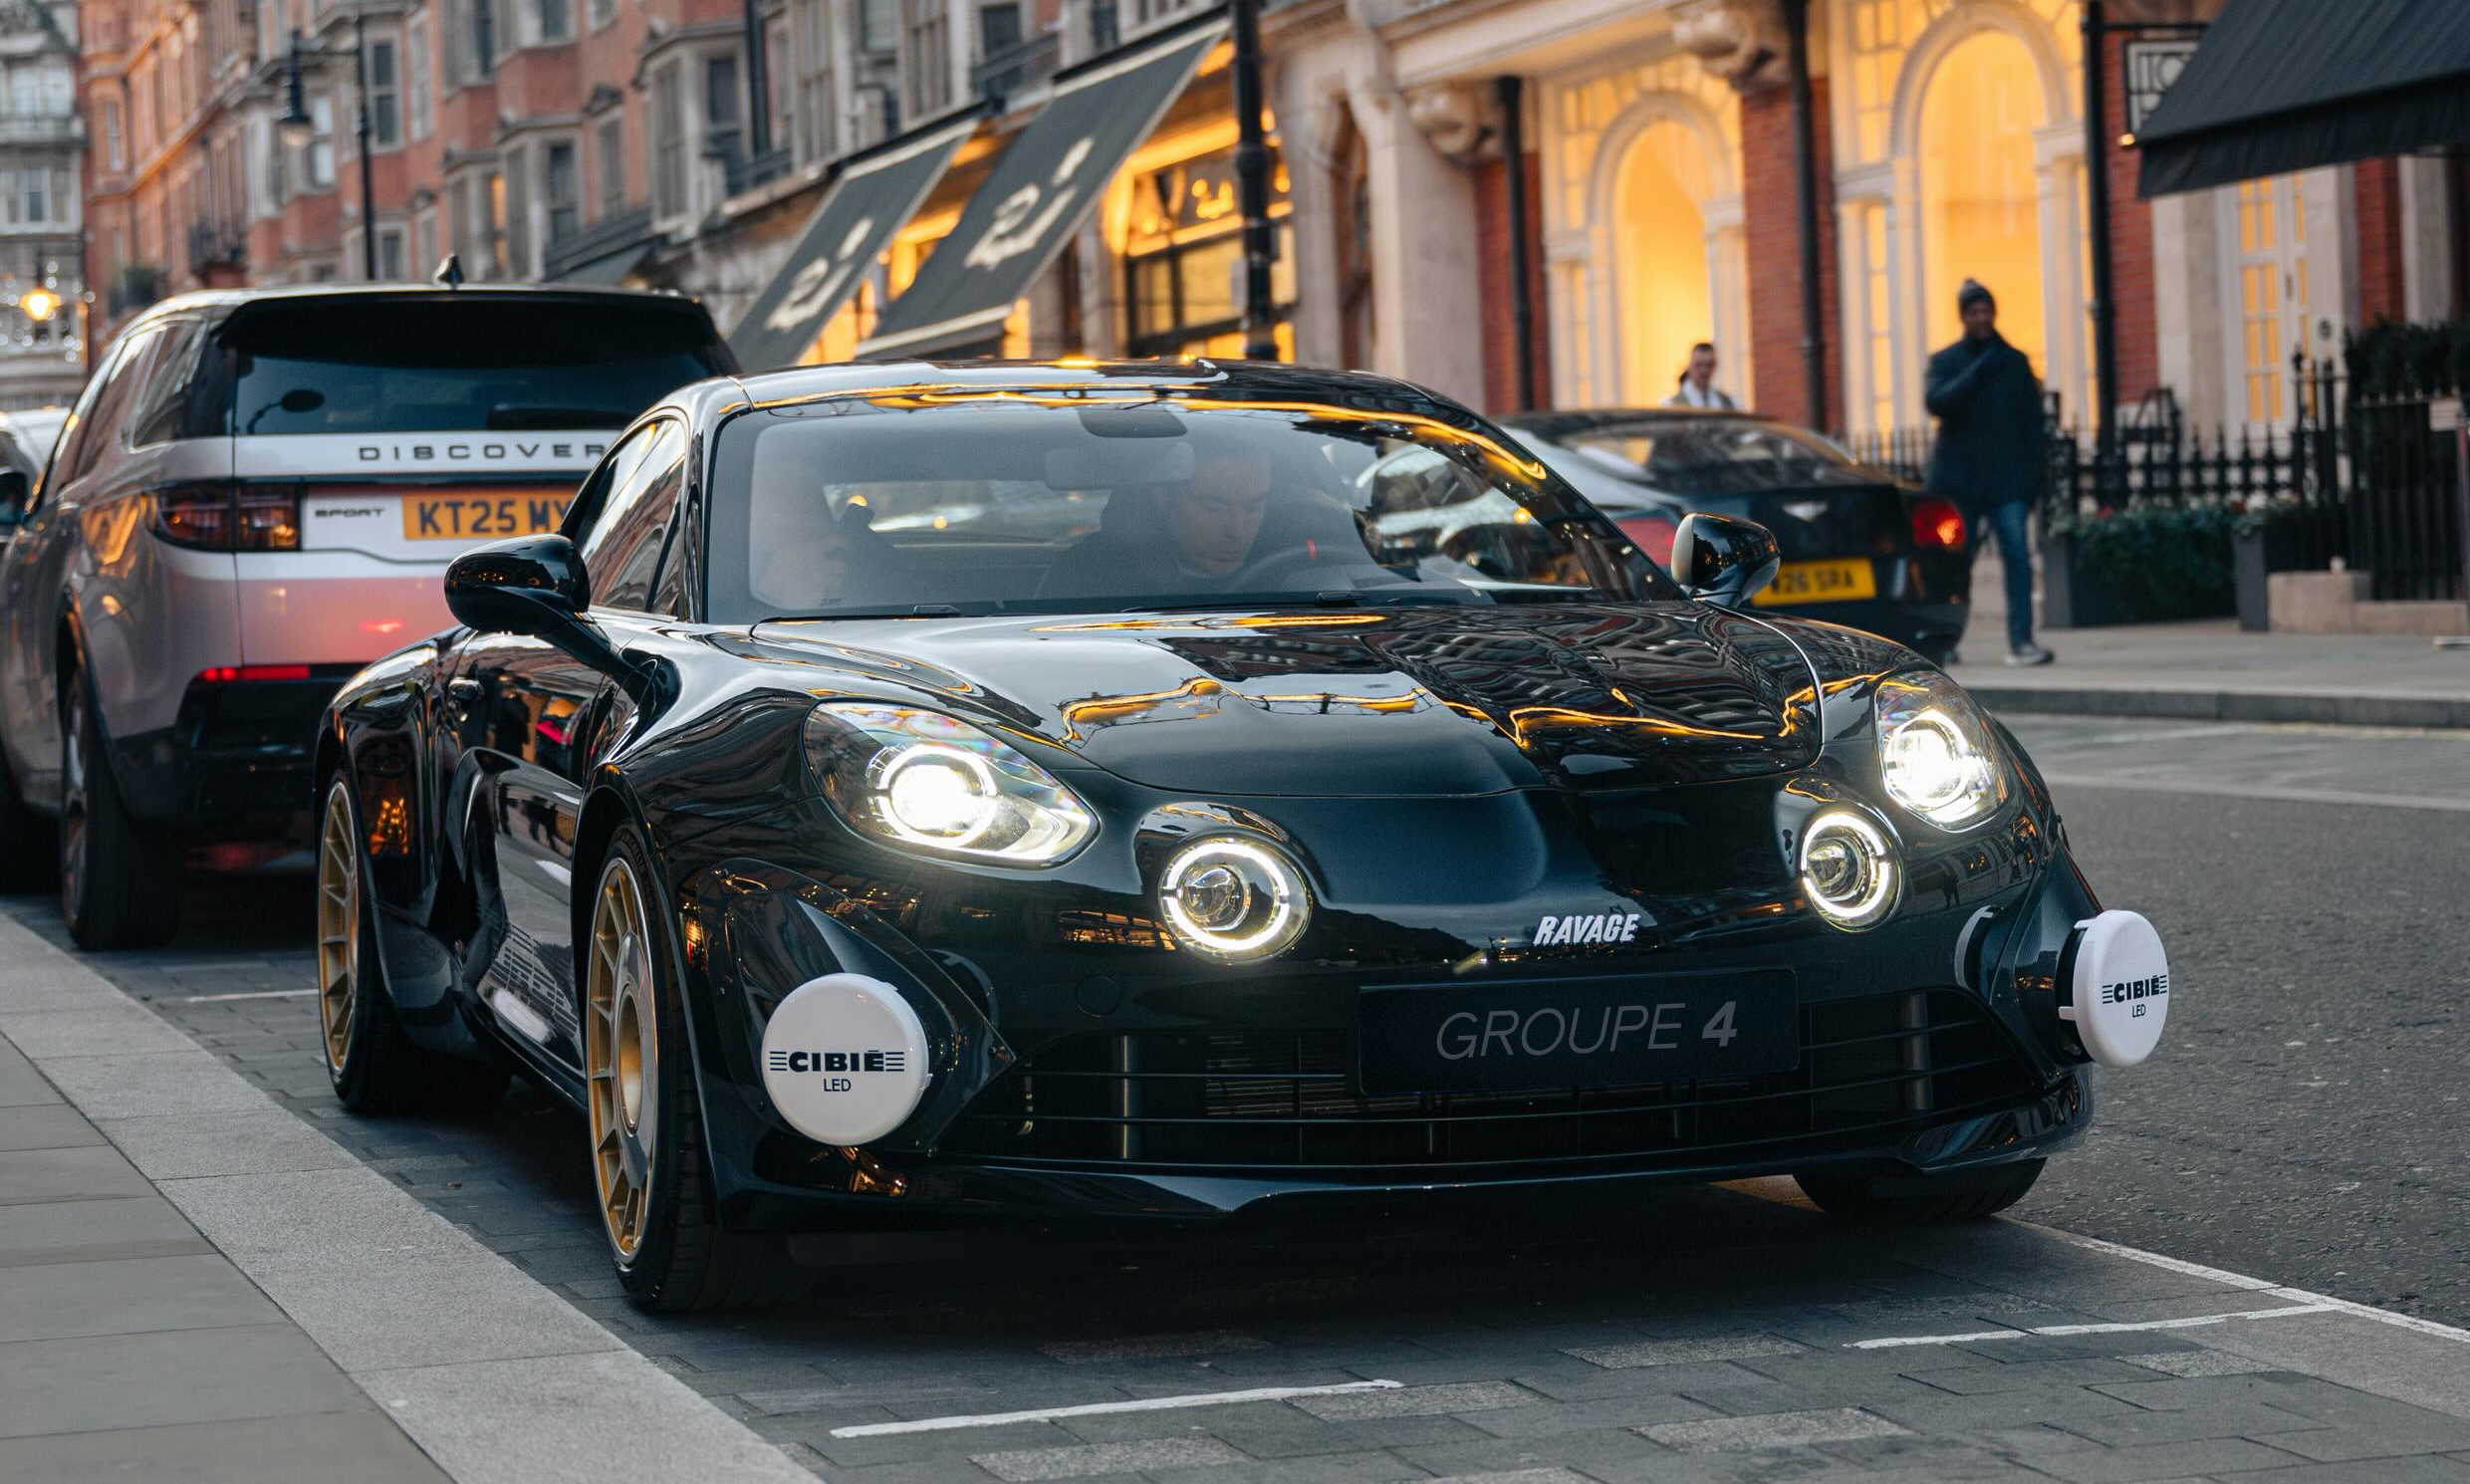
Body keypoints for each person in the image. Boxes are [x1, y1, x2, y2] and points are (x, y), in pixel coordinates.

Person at [1925, 280, 2053, 665]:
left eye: (1986, 310)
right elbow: (1937, 403)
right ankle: (1946, 640)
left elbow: (2033, 425)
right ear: (1964, 316)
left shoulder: (2014, 362)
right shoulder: (1946, 361)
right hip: (1960, 483)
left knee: (2017, 557)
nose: (1981, 317)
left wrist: (2036, 482)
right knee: (1956, 564)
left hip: (2007, 482)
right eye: (1974, 311)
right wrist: (1976, 372)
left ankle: (2021, 641)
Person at [1663, 343, 1736, 410]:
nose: (1704, 370)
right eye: (1698, 365)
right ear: (1689, 366)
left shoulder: (1729, 403)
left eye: (1709, 365)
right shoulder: (1671, 405)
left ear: (1715, 366)